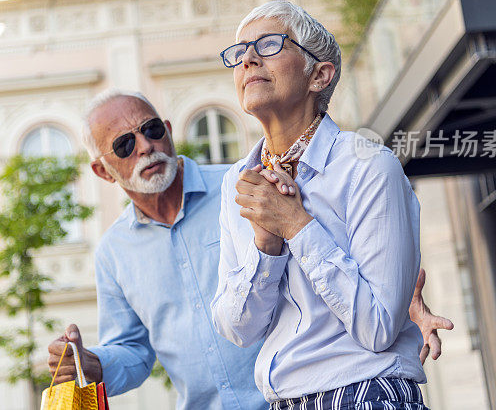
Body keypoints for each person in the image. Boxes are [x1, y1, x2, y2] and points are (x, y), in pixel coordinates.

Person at [47, 89, 452, 410]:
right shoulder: (114, 253)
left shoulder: (248, 186)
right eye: (123, 144)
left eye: (152, 130)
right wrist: (97, 364)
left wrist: (404, 306)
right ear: (102, 170)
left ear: (168, 130)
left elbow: (333, 245)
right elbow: (133, 351)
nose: (145, 146)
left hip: (290, 399)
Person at [211, 1, 431, 409]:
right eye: (240, 53)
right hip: (284, 400)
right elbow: (237, 328)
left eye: (270, 44)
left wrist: (297, 226)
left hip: (367, 391)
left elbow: (380, 326)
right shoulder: (238, 183)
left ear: (320, 75)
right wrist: (266, 245)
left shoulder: (368, 166)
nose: (249, 59)